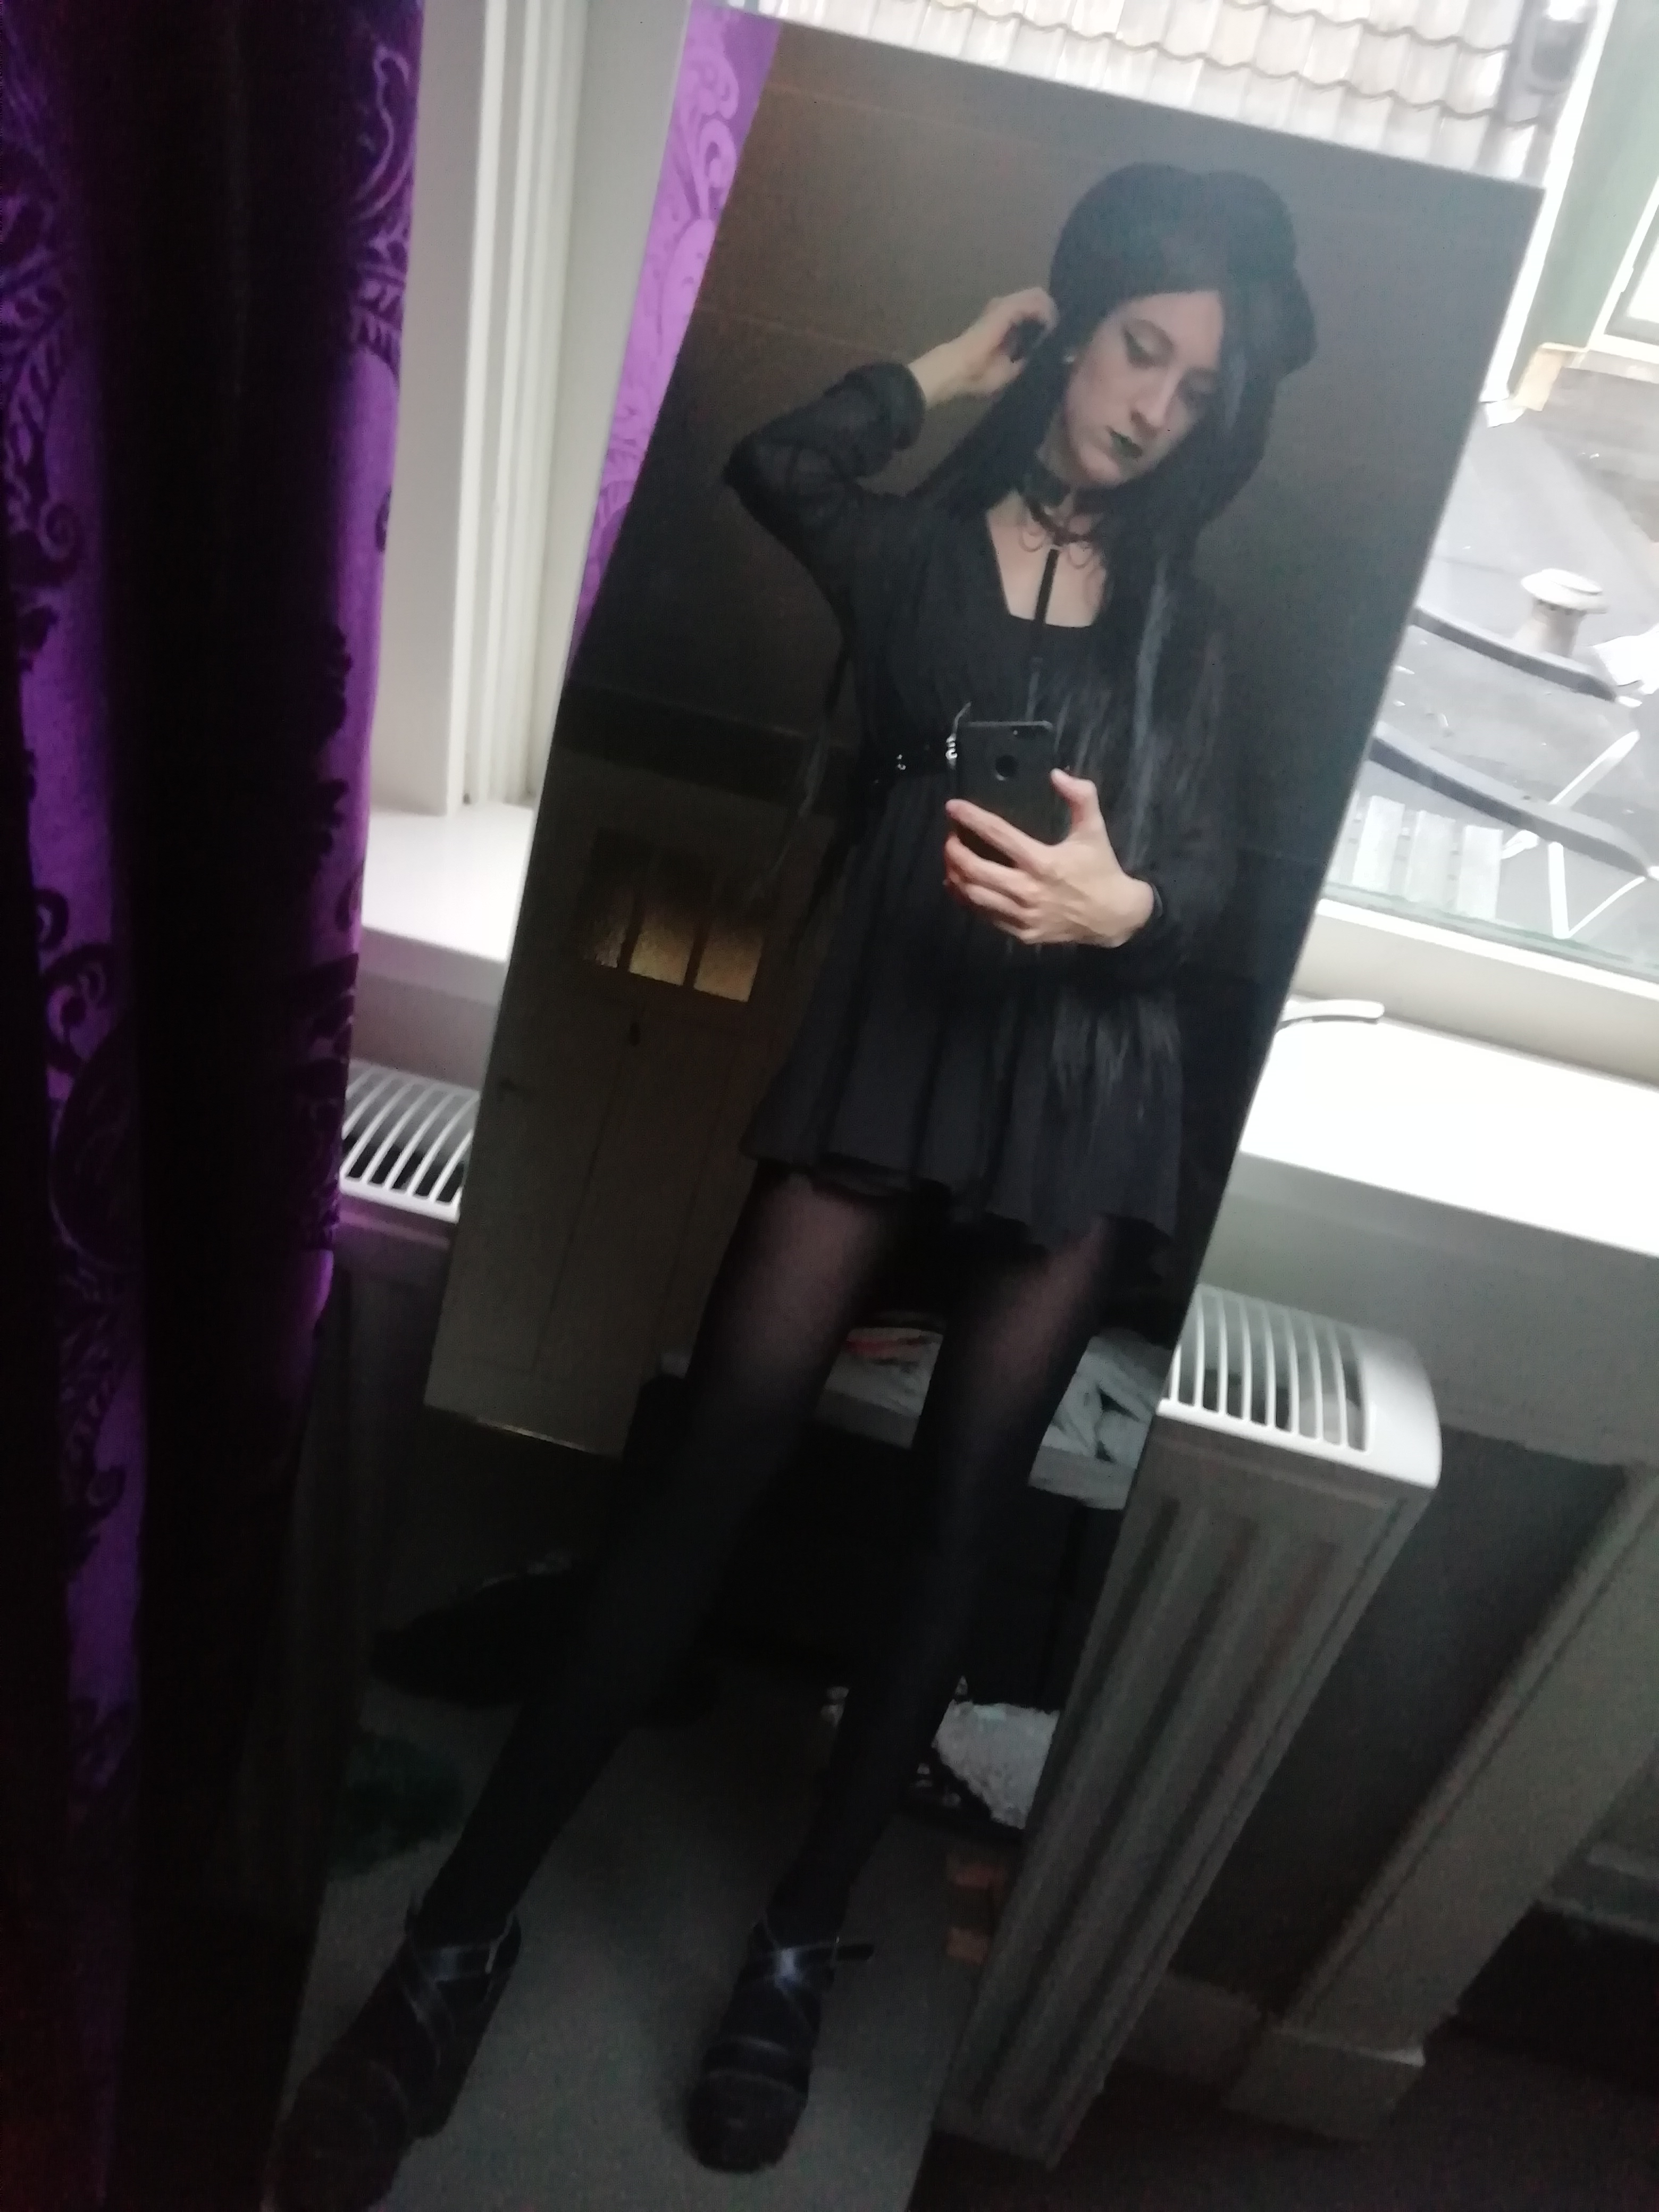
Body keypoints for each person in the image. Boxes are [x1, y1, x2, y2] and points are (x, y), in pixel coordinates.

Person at [271, 161, 1314, 2207]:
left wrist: (1127, 911)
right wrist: (958, 357)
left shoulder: (1191, 628)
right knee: (698, 1483)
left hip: (1088, 1087)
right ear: (1078, 325)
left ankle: (790, 1948)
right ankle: (452, 1943)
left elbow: (1202, 876)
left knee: (954, 1529)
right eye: (1137, 349)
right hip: (896, 1037)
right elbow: (775, 461)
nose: (1156, 406)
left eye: (1199, 389)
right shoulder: (915, 556)